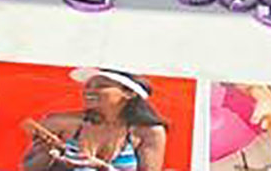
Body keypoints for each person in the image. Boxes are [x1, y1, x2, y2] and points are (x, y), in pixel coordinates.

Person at [23, 68, 167, 171]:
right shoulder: (59, 122)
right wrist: (47, 154)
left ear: (129, 93)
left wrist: (104, 168)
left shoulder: (150, 132)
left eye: (101, 86)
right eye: (88, 86)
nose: (89, 91)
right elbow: (29, 168)